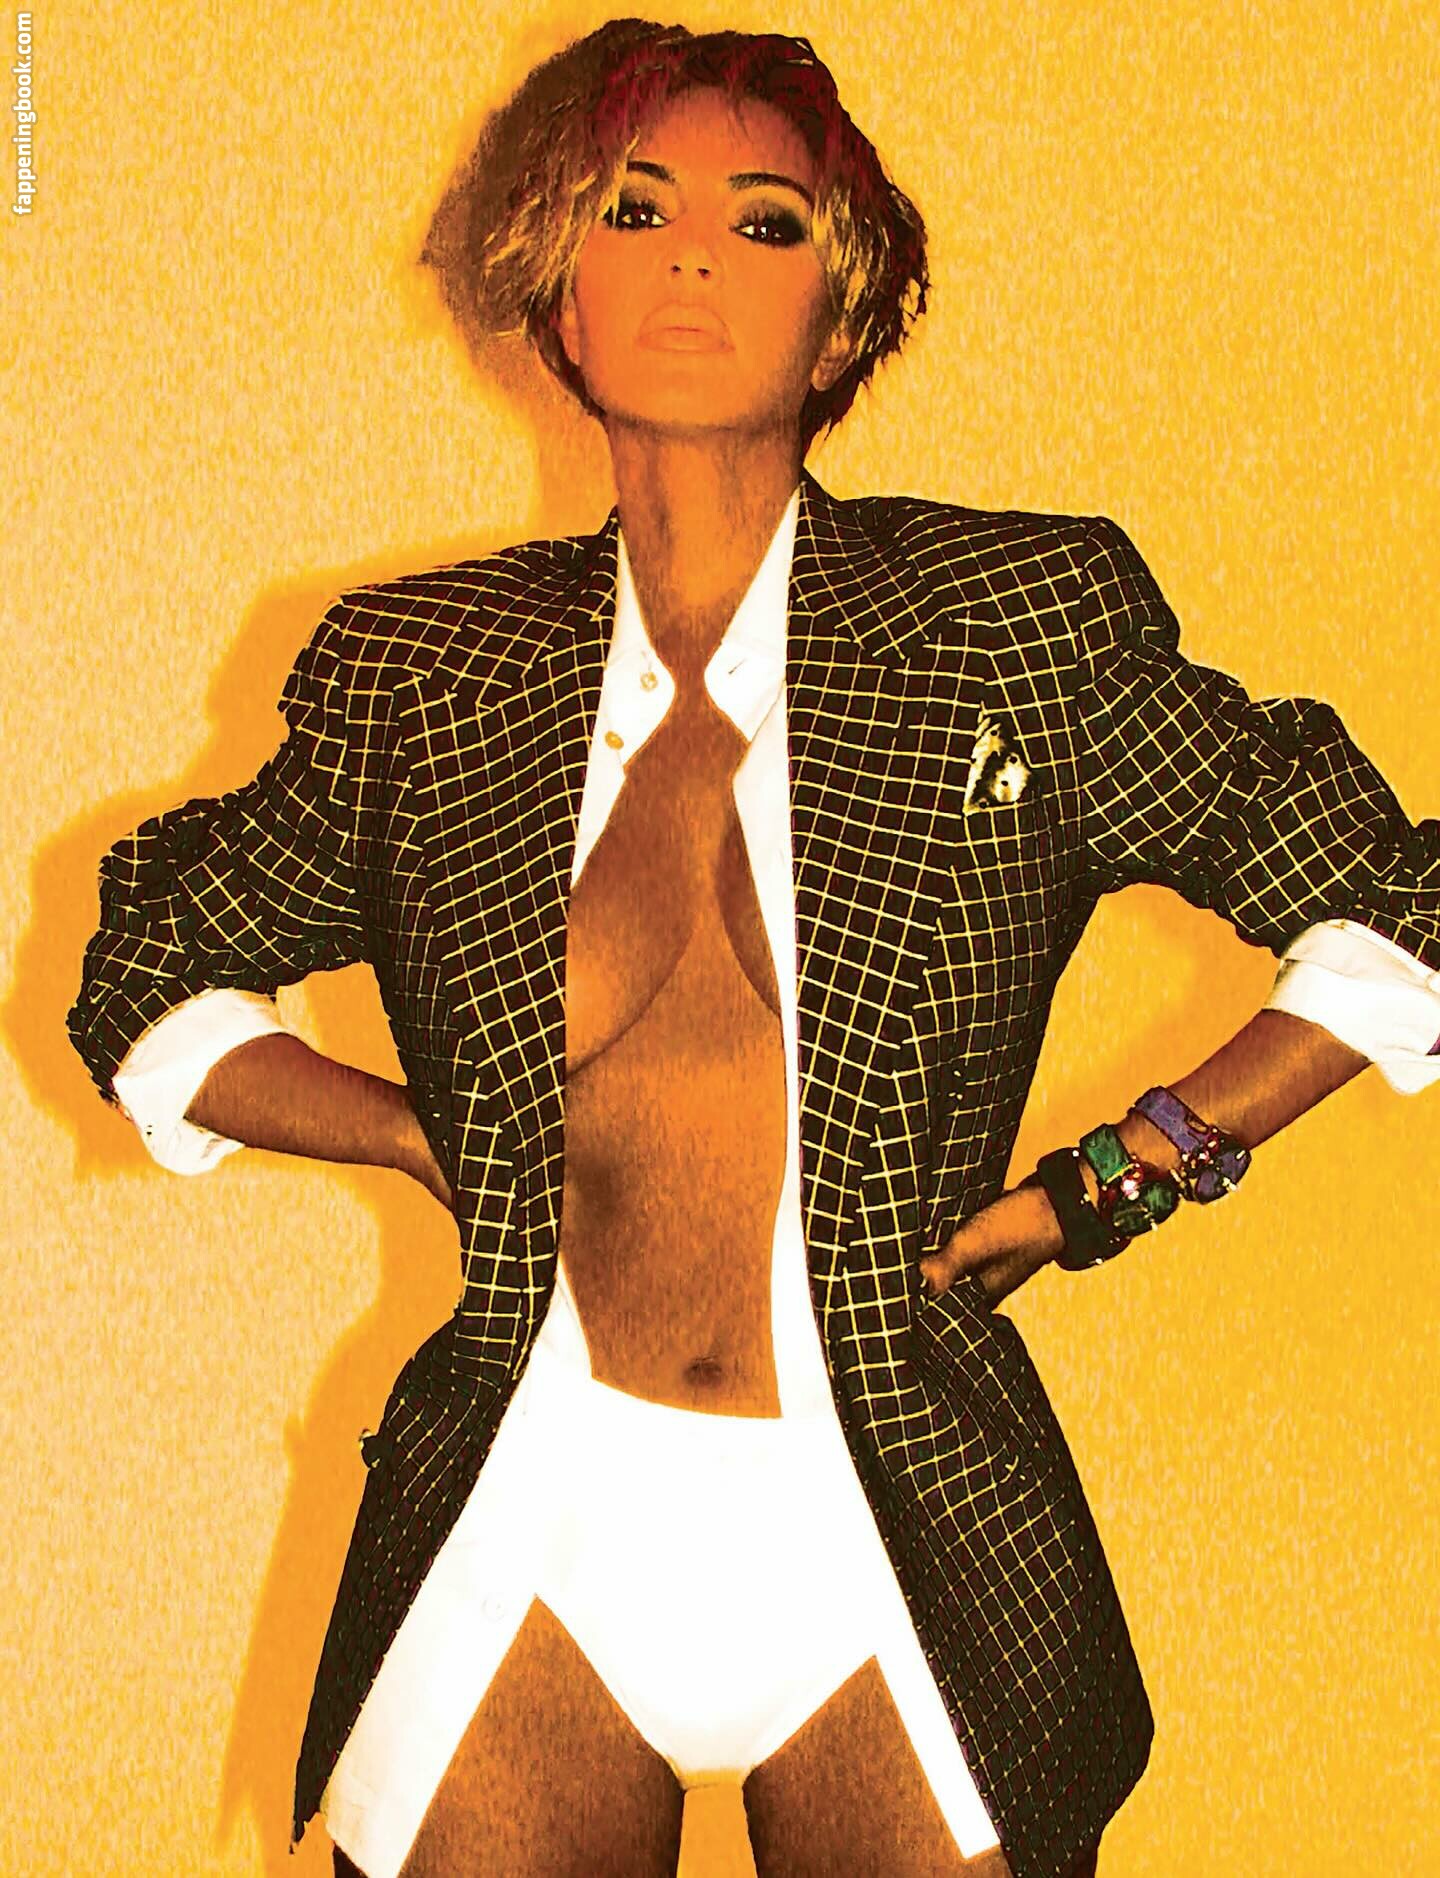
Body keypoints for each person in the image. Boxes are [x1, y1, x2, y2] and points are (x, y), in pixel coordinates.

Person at [66, 21, 1440, 1878]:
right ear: (558, 285)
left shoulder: (1007, 628)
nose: (695, 259)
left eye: (765, 221)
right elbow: (149, 963)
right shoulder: (426, 674)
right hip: (533, 1514)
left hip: (897, 1537)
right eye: (635, 211)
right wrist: (410, 1131)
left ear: (842, 309)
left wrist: (1117, 1176)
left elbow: (1399, 903)